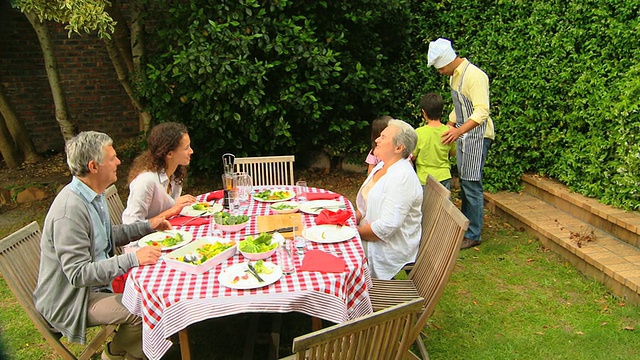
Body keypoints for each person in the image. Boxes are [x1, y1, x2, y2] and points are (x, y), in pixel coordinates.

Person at [33, 131, 171, 360]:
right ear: (93, 166)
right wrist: (132, 259)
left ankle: (126, 353)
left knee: (154, 300)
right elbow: (78, 274)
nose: (118, 162)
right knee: (143, 311)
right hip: (73, 299)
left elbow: (107, 236)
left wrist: (149, 225)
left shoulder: (92, 196)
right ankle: (117, 353)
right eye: (112, 158)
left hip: (94, 288)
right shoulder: (70, 211)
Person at [427, 38, 495, 250]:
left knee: (472, 184)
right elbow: (459, 107)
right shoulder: (454, 78)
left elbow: (482, 112)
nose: (440, 72)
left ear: (446, 62)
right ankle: (465, 227)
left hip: (478, 135)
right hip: (464, 134)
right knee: (465, 182)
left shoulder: (475, 76)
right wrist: (449, 125)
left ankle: (473, 233)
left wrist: (458, 131)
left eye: (439, 68)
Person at [355, 119, 423, 279]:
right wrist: (349, 219)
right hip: (367, 234)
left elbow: (386, 227)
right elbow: (365, 206)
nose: (377, 139)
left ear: (399, 148)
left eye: (383, 137)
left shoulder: (402, 177)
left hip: (386, 247)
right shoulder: (382, 166)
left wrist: (353, 233)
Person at [122, 122, 196, 223]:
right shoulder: (146, 180)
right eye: (186, 148)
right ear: (169, 153)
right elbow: (131, 225)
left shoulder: (175, 174)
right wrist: (172, 209)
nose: (191, 151)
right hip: (146, 238)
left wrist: (175, 205)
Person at [413, 92, 456, 189]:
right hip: (444, 176)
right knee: (443, 204)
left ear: (424, 112)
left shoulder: (418, 133)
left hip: (425, 178)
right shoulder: (449, 131)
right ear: (441, 111)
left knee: (427, 204)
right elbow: (453, 152)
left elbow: (413, 156)